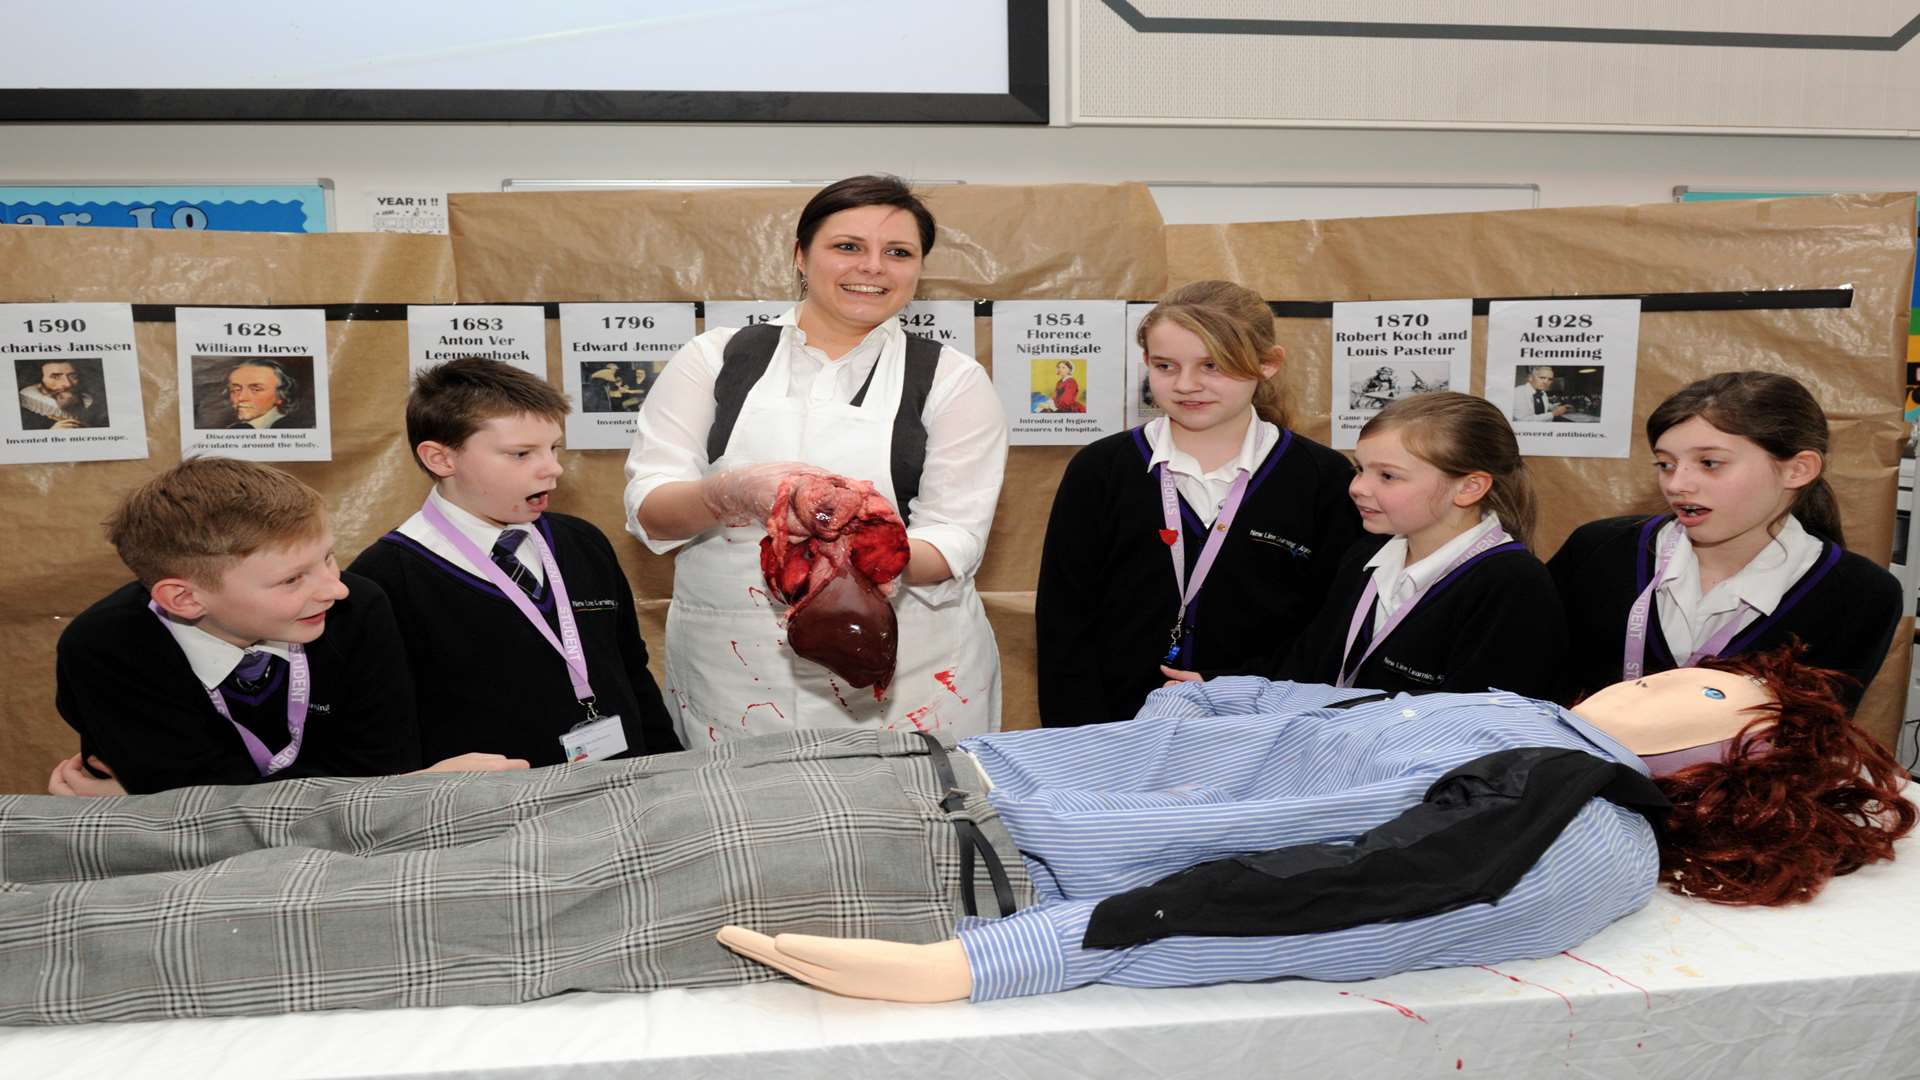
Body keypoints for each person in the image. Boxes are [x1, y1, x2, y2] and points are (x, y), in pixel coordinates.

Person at [1, 650, 1905, 1023]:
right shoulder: (1532, 719)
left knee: (340, 928)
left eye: (1719, 682)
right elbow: (1253, 742)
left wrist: (977, 967)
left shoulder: (1581, 822)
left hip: (930, 874)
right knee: (339, 826)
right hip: (903, 786)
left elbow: (1306, 901)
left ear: (1745, 741)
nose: (1685, 671)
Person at [624, 175, 1005, 742]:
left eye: (898, 252)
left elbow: (955, 539)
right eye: (847, 246)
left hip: (908, 672)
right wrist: (727, 494)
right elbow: (649, 509)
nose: (872, 267)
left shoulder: (952, 380)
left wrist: (858, 544)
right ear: (801, 256)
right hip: (735, 669)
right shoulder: (716, 359)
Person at [48, 457, 524, 796]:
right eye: (293, 578)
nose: (334, 589)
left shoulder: (357, 608)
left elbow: (378, 773)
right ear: (185, 598)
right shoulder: (105, 648)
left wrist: (154, 802)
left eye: (328, 558)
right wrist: (406, 789)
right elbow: (197, 813)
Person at [1036, 280, 1362, 726]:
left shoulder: (1324, 478)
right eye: (1166, 366)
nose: (1187, 385)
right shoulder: (1100, 470)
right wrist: (1077, 741)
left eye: (1212, 365)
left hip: (1260, 728)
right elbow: (1064, 622)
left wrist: (1245, 692)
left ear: (1267, 364)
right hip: (1116, 731)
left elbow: (1329, 629)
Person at [348, 358, 680, 768]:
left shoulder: (583, 542)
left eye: (553, 448)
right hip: (492, 814)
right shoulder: (383, 579)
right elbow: (384, 732)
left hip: (621, 791)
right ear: (440, 459)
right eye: (521, 454)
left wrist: (667, 768)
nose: (554, 468)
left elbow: (631, 670)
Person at [1549, 371, 1903, 710]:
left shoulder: (1861, 595)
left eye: (1710, 462)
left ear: (1798, 469)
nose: (1676, 484)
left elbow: (1809, 743)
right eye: (1665, 464)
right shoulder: (1598, 551)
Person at [1264, 392, 1565, 698]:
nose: (1357, 487)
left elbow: (1482, 726)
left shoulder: (1513, 585)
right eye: (1359, 469)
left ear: (1469, 488)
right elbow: (1303, 671)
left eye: (1388, 476)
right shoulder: (1364, 556)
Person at [16, 358, 105, 429]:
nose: (67, 384)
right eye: (55, 377)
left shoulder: (94, 403)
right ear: (40, 380)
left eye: (73, 376)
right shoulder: (22, 408)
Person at [225, 360, 296, 429]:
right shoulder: (235, 429)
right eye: (235, 390)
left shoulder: (291, 427)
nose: (241, 397)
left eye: (256, 389)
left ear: (281, 395)